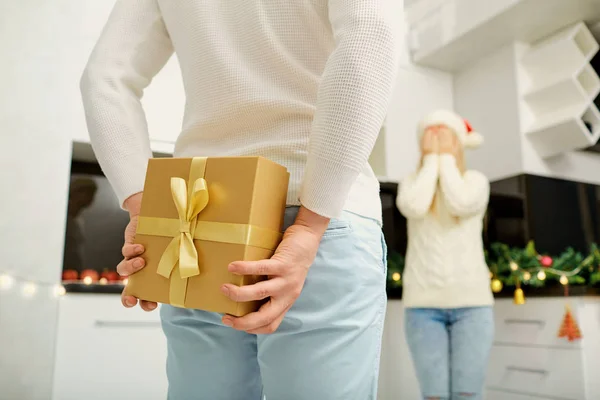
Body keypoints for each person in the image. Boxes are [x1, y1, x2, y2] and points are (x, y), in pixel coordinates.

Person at [80, 1, 400, 399]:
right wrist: (308, 226)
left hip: (196, 226)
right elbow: (369, 34)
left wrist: (146, 209)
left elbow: (103, 79)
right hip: (318, 218)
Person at [396, 110, 494, 400]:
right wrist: (431, 162)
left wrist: (447, 160)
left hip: (473, 306)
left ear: (459, 143)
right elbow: (413, 207)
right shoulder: (412, 182)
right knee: (434, 396)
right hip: (421, 308)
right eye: (431, 134)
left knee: (467, 394)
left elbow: (461, 203)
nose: (437, 139)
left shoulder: (475, 181)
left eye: (444, 135)